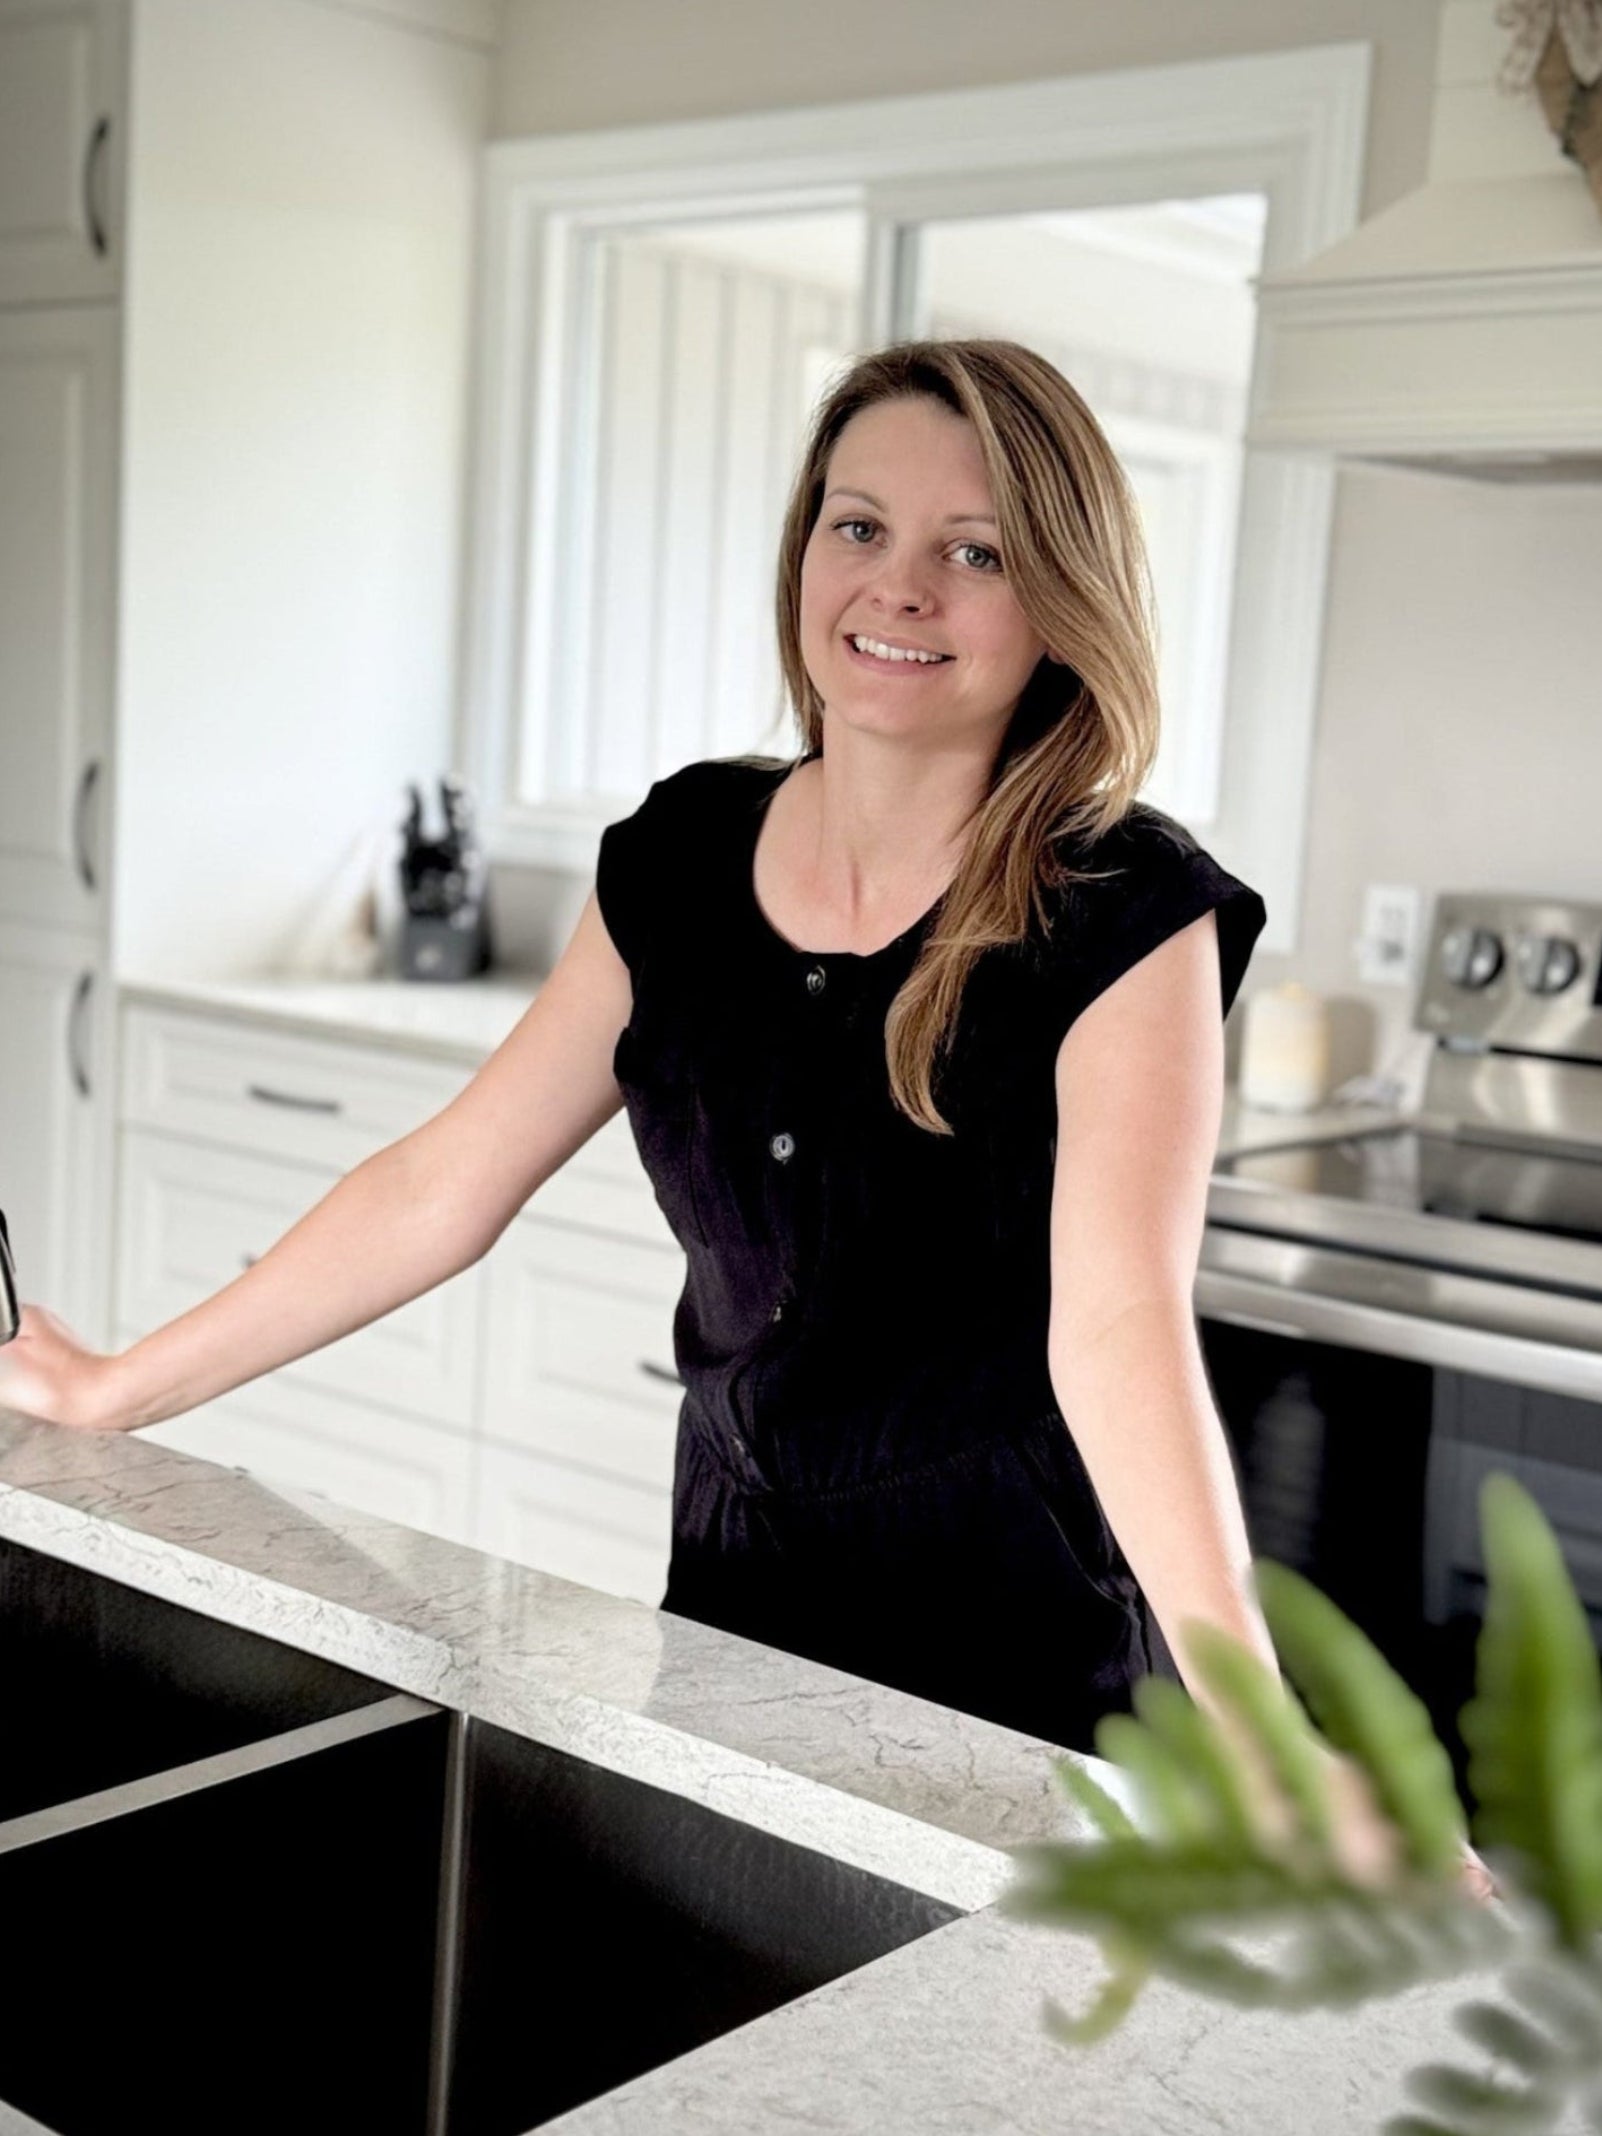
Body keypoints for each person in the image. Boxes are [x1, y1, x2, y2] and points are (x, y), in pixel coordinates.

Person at [0, 336, 1490, 1897]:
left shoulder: (1124, 910)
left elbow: (1117, 1323)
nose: (898, 587)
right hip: (729, 1603)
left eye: (973, 552)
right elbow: (445, 1182)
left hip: (1016, 1648)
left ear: (1057, 599)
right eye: (860, 526)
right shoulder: (685, 856)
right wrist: (116, 1388)